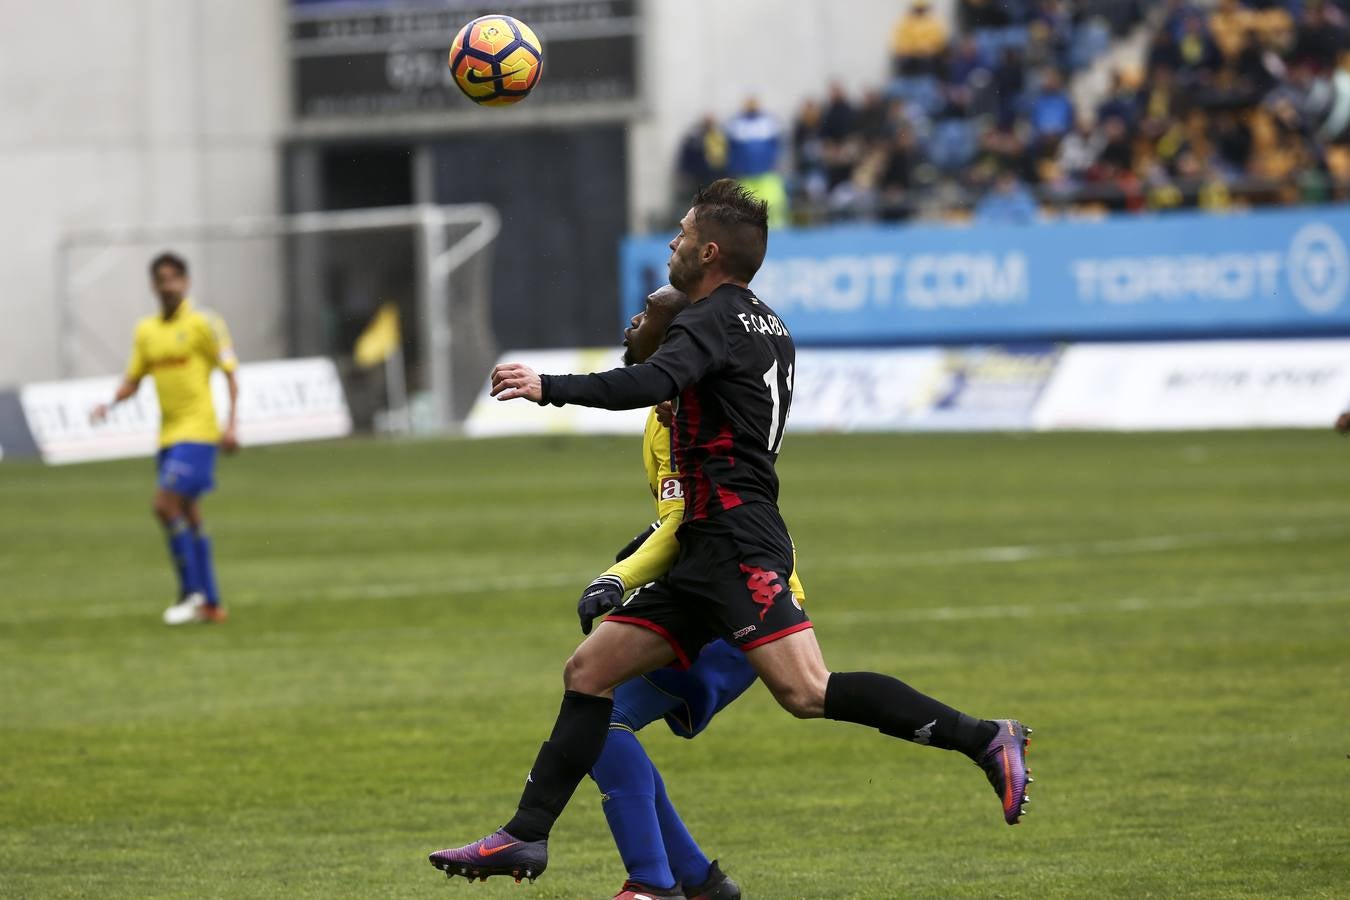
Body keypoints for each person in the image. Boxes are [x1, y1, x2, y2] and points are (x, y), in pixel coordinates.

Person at [428, 180, 1033, 886]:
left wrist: (548, 385)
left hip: (739, 545)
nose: (672, 245)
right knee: (588, 672)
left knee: (808, 691)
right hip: (707, 550)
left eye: (681, 235)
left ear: (709, 251)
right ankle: (525, 835)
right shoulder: (768, 324)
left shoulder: (708, 320)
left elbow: (650, 382)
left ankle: (985, 738)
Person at [579, 284, 805, 900]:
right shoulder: (669, 411)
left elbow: (692, 519)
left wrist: (619, 576)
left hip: (732, 604)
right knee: (599, 715)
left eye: (646, 312)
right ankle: (697, 883)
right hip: (725, 592)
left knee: (597, 717)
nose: (632, 319)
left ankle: (657, 884)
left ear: (680, 336)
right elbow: (684, 513)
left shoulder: (681, 414)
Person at [90, 252, 238, 625]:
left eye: (174, 278)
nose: (168, 285)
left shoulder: (205, 323)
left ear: (186, 282)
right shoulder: (146, 331)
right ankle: (212, 603)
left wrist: (231, 424)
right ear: (153, 286)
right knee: (190, 514)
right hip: (168, 433)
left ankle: (190, 594)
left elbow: (231, 373)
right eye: (162, 279)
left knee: (163, 504)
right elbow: (134, 380)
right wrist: (109, 404)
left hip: (200, 431)